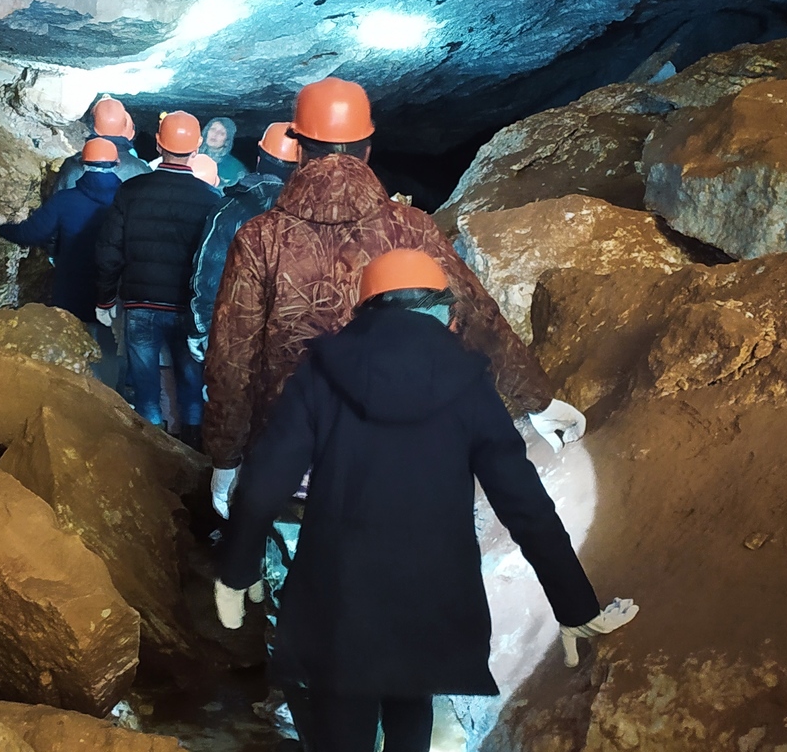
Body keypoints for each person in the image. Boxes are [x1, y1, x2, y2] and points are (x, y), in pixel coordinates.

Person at [214, 248, 636, 752]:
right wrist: (575, 602)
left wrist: (237, 570)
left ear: (367, 307)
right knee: (408, 737)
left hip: (339, 601)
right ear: (441, 310)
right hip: (429, 600)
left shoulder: (324, 372)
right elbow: (522, 501)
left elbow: (262, 485)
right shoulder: (467, 384)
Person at [202, 76, 587, 515]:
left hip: (294, 454)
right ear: (367, 148)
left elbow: (232, 357)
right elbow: (477, 318)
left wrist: (225, 458)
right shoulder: (412, 228)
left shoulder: (260, 238)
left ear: (299, 147)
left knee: (301, 570)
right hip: (395, 447)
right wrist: (537, 400)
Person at [94, 111, 225, 445]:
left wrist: (105, 298)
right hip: (187, 308)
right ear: (197, 148)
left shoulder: (130, 191)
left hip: (140, 304)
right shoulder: (212, 200)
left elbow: (109, 249)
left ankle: (151, 453)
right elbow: (216, 262)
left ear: (157, 142)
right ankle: (194, 448)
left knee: (146, 387)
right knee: (191, 380)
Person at [187, 121, 300, 365]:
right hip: (293, 334)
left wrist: (201, 326)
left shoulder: (231, 207)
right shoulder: (315, 211)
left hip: (238, 327)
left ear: (260, 158)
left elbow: (210, 268)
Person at [0, 137, 123, 336]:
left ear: (82, 163)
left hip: (72, 291)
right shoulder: (129, 200)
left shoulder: (65, 200)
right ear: (117, 163)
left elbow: (31, 233)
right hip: (116, 293)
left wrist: (0, 228)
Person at [58, 97, 150, 191]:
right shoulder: (142, 170)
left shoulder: (71, 166)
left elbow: (57, 200)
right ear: (129, 129)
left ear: (92, 127)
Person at [201, 115, 247, 187]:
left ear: (227, 141)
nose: (215, 134)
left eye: (221, 133)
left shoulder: (235, 167)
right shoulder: (190, 157)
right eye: (213, 129)